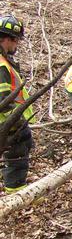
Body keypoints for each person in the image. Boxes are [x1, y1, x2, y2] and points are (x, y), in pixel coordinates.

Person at [0, 15, 35, 194]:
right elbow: (3, 101)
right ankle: (16, 194)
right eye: (16, 40)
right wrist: (17, 123)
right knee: (17, 156)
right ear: (8, 38)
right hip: (9, 122)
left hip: (9, 119)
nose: (17, 45)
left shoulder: (4, 61)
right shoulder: (2, 66)